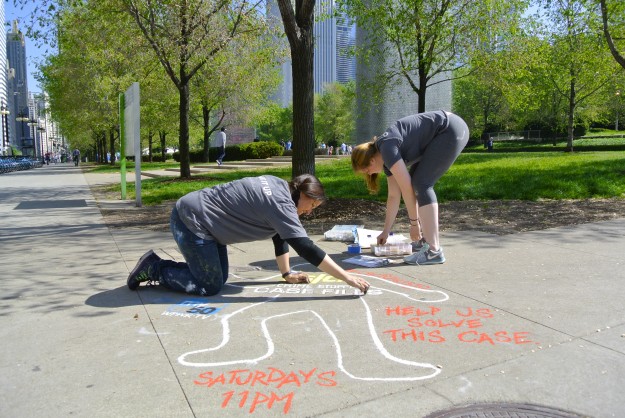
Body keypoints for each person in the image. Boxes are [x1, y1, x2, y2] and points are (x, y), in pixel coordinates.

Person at [127, 174, 371, 296]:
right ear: (303, 194)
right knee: (209, 285)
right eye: (312, 205)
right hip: (191, 222)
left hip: (204, 222)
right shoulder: (282, 205)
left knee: (218, 278)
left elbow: (280, 234)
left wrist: (286, 273)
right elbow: (306, 248)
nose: (309, 211)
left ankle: (171, 268)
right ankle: (155, 267)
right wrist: (345, 278)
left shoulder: (279, 186)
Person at [351, 111, 469, 265]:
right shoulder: (385, 157)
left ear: (372, 160)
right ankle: (425, 242)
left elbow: (406, 188)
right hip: (448, 128)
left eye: (366, 170)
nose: (370, 174)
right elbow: (394, 196)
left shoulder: (387, 148)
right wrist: (385, 231)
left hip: (450, 128)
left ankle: (433, 251)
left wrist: (414, 225)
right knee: (418, 182)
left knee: (422, 183)